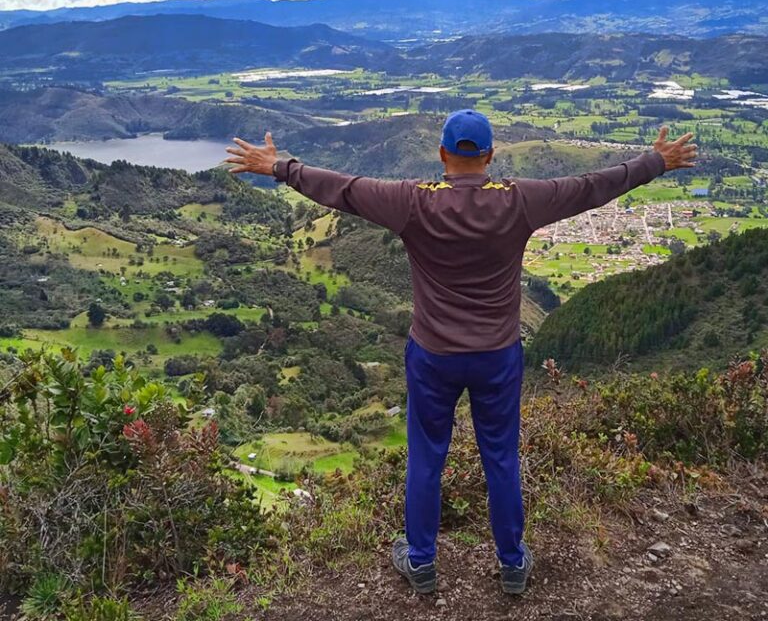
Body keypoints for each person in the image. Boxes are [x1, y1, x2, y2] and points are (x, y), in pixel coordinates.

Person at [224, 112, 697, 595]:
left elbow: (343, 188)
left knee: (427, 458)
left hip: (434, 356)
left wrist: (279, 167)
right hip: (497, 355)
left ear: (443, 154)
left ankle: (422, 561)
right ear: (490, 156)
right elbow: (591, 186)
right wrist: (655, 162)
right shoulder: (519, 202)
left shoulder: (413, 203)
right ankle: (513, 564)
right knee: (502, 458)